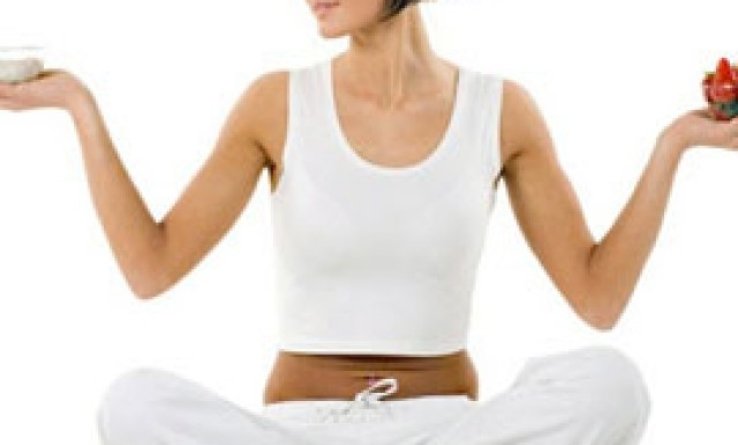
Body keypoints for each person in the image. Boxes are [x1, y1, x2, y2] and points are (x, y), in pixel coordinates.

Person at [2, 0, 738, 444]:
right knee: (133, 402)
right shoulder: (275, 102)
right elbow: (150, 267)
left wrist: (674, 145)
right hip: (298, 431)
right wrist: (79, 109)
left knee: (612, 384)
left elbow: (598, 298)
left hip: (447, 428)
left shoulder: (499, 108)